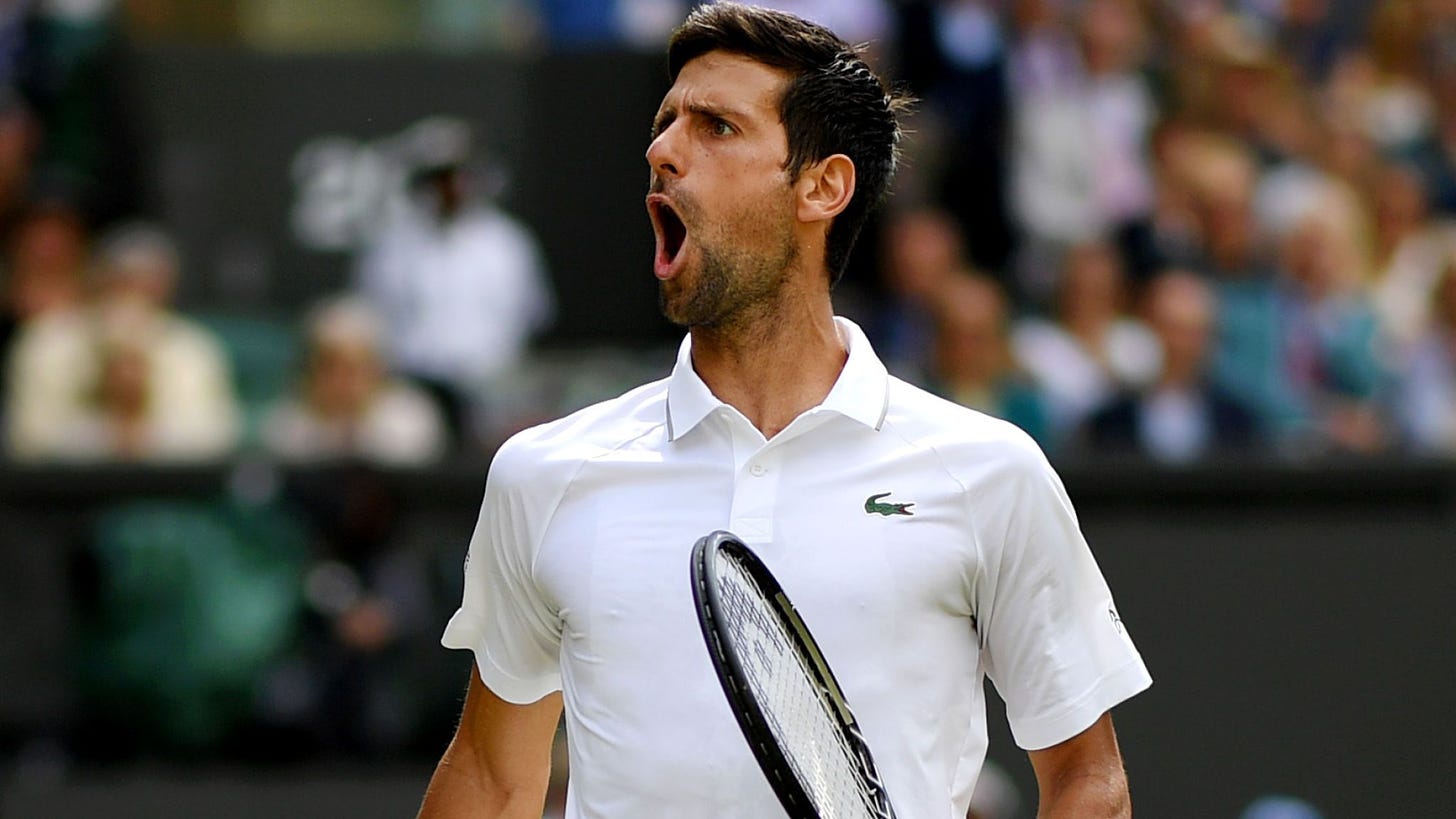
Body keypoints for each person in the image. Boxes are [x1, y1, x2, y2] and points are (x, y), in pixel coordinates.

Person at [419, 5, 1150, 818]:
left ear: (823, 186)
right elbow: (492, 778)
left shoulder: (988, 472)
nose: (662, 149)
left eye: (717, 127)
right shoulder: (544, 474)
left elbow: (1090, 781)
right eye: (665, 123)